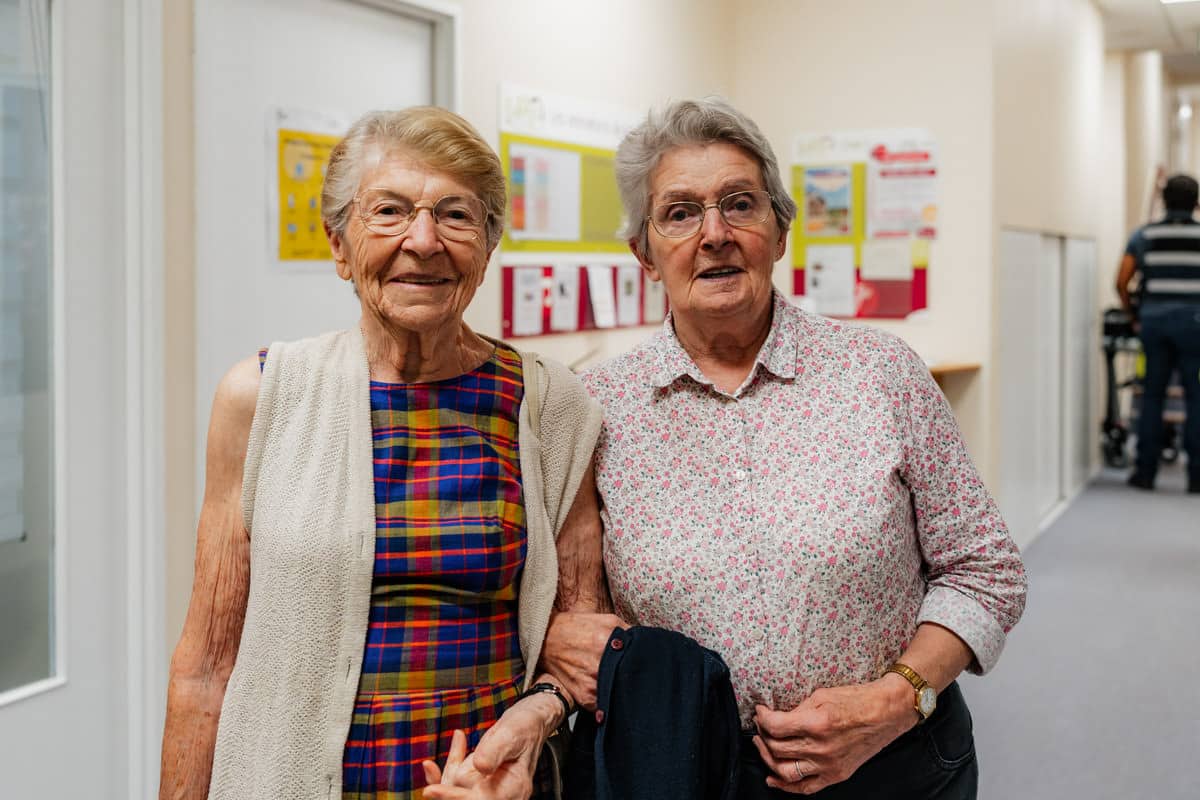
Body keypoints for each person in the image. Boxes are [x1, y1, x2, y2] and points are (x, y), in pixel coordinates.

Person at [540, 98, 1028, 799]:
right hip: (693, 772)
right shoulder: (596, 410)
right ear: (644, 254)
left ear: (779, 230)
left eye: (740, 204)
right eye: (680, 213)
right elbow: (578, 613)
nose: (715, 234)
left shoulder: (881, 373)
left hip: (896, 761)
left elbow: (985, 570)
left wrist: (896, 699)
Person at [159, 106, 603, 800]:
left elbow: (580, 639)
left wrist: (532, 722)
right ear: (339, 245)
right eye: (389, 211)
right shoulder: (261, 398)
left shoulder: (549, 405)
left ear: (486, 250)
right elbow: (206, 663)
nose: (422, 242)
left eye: (455, 216)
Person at [1116, 173, 1200, 494]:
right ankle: (1197, 477)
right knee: (1197, 397)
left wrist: (1132, 314)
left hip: (1154, 325)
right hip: (1195, 326)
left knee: (1152, 395)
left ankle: (1145, 473)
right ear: (1195, 202)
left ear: (1164, 201)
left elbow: (1122, 280)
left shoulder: (1145, 234)